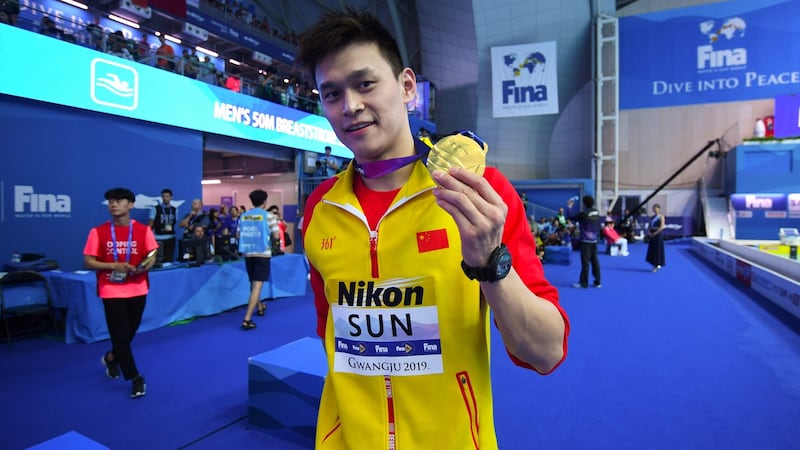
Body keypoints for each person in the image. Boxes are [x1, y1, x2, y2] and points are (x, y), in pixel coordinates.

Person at [296, 9, 569, 448]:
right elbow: (329, 329)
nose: (350, 106)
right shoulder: (321, 207)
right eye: (332, 93)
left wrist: (490, 264)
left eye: (365, 84)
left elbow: (546, 351)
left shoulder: (478, 190)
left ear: (407, 86)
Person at [82, 187, 158, 398]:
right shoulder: (98, 232)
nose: (113, 204)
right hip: (111, 289)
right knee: (120, 335)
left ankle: (111, 358)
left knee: (129, 332)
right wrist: (114, 266)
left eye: (118, 200)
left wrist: (146, 265)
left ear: (130, 205)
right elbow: (88, 261)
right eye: (110, 201)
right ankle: (135, 377)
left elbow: (152, 254)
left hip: (138, 287)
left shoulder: (143, 230)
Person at [236, 189, 280, 330]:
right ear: (265, 201)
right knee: (257, 286)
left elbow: (238, 235)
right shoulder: (269, 216)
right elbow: (277, 236)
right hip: (262, 253)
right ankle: (247, 319)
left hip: (248, 253)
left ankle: (260, 307)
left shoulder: (243, 216)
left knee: (253, 283)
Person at [567, 195, 601, 288]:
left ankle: (583, 283)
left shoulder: (583, 213)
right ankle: (598, 282)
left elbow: (570, 217)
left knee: (585, 263)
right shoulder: (596, 212)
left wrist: (569, 206)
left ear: (584, 203)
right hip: (594, 240)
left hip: (586, 241)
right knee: (595, 261)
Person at [148, 188, 178, 263]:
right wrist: (149, 237)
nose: (165, 198)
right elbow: (150, 224)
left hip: (171, 237)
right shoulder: (155, 209)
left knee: (169, 260)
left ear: (171, 197)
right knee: (158, 260)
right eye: (163, 196)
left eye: (167, 196)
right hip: (158, 237)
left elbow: (175, 222)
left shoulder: (175, 209)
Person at [646, 203, 666, 272]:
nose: (654, 210)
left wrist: (655, 233)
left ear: (659, 209)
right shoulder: (652, 217)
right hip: (652, 234)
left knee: (657, 250)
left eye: (655, 208)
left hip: (658, 235)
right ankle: (653, 263)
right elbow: (649, 226)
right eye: (653, 209)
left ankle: (657, 264)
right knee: (653, 250)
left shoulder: (661, 217)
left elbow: (662, 227)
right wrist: (649, 232)